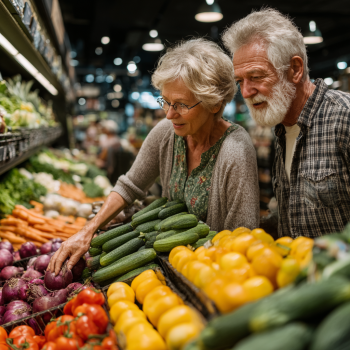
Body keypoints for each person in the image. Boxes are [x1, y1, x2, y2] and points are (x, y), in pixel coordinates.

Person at [49, 38, 259, 274]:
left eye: (180, 104)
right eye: (166, 102)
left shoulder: (236, 151)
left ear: (214, 103)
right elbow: (130, 185)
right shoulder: (167, 132)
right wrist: (88, 230)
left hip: (212, 273)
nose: (169, 114)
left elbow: (243, 236)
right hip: (166, 268)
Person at [222, 8, 350, 238]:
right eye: (240, 81)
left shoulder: (344, 118)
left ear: (295, 69)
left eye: (257, 77)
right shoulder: (281, 126)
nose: (246, 92)